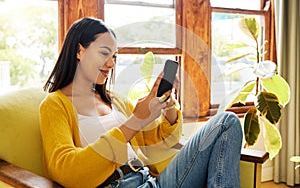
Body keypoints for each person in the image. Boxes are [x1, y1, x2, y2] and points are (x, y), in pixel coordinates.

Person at [40, 17, 243, 188]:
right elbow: (67, 169)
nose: (111, 63)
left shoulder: (115, 100)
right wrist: (136, 120)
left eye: (114, 57)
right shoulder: (55, 105)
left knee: (227, 122)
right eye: (104, 53)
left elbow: (163, 140)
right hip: (117, 184)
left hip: (150, 181)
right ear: (78, 51)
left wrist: (168, 105)